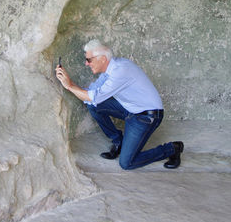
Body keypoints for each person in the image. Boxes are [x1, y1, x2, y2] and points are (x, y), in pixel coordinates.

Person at [55, 39, 184, 170]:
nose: (86, 63)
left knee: (127, 163)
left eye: (89, 60)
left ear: (103, 59)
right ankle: (119, 142)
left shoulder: (120, 71)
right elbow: (91, 95)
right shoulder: (109, 70)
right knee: (94, 105)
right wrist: (68, 82)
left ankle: (172, 148)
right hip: (130, 109)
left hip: (146, 116)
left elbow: (94, 97)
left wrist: (69, 85)